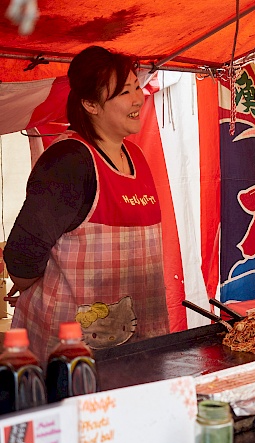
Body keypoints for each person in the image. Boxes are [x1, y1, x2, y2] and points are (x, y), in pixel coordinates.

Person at [3, 46, 170, 361]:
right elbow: (21, 256)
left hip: (139, 343)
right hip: (72, 350)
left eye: (137, 87)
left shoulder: (137, 158)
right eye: (124, 92)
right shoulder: (69, 161)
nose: (138, 99)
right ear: (90, 104)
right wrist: (48, 293)